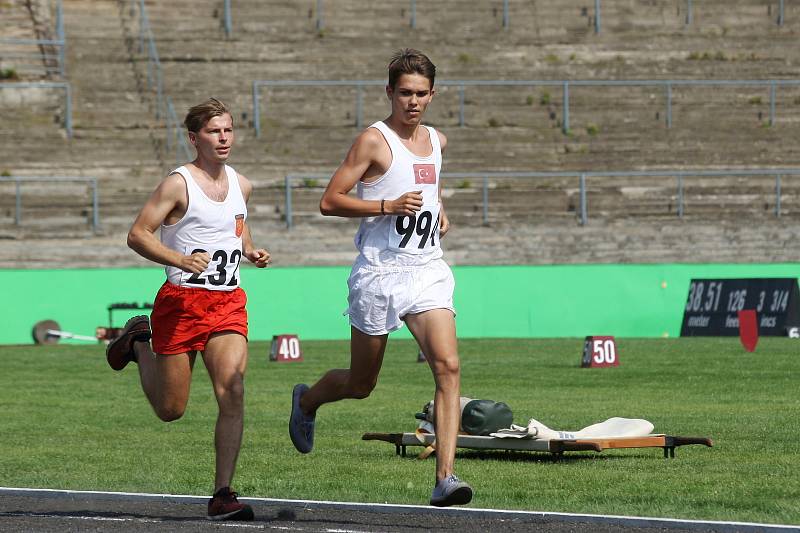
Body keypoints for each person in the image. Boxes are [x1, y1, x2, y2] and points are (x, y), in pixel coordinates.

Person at [289, 49, 473, 507]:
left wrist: (438, 208)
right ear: (390, 92)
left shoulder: (437, 141)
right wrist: (386, 207)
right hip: (380, 274)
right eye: (405, 93)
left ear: (433, 94)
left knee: (448, 368)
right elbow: (330, 200)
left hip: (427, 268)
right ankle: (308, 401)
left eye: (422, 94)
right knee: (361, 383)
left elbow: (428, 185)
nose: (413, 102)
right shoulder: (373, 141)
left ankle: (445, 479)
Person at [106, 98, 269, 521]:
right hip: (181, 304)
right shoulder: (177, 183)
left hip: (228, 302)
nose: (224, 138)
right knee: (170, 409)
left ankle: (222, 494)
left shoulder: (242, 184)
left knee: (232, 390)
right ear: (195, 138)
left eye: (229, 130)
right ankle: (140, 343)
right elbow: (138, 234)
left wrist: (248, 249)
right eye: (215, 131)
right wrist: (179, 260)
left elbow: (236, 221)